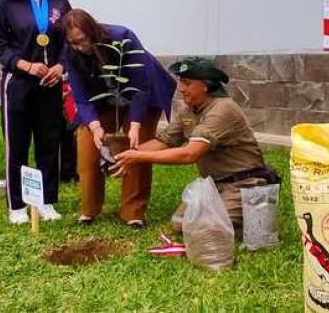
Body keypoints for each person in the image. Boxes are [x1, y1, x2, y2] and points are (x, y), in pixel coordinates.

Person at [112, 57, 280, 236]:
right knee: (180, 224)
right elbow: (165, 141)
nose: (181, 89)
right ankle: (239, 218)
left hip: (244, 184)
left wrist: (138, 158)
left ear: (206, 85)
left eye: (187, 83)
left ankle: (258, 214)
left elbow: (190, 154)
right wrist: (125, 155)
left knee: (203, 228)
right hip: (214, 185)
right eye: (180, 82)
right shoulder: (189, 110)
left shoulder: (222, 109)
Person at [63, 8, 176, 229]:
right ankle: (89, 208)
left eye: (83, 40)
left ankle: (133, 211)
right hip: (103, 98)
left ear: (92, 31)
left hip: (143, 92)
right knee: (86, 139)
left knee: (139, 145)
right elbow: (81, 96)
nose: (80, 47)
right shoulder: (72, 52)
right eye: (73, 43)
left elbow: (140, 87)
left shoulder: (123, 37)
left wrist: (134, 126)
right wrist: (95, 127)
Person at [0, 0, 72, 225]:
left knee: (49, 142)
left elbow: (69, 42)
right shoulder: (7, 4)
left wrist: (60, 67)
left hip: (50, 84)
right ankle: (17, 206)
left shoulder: (59, 1)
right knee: (18, 146)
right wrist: (26, 65)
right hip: (19, 84)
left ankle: (47, 202)